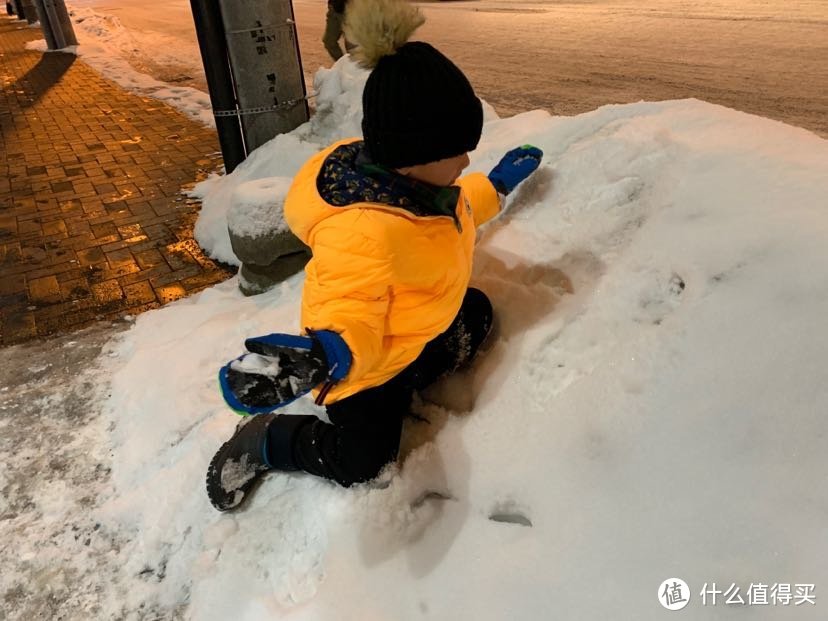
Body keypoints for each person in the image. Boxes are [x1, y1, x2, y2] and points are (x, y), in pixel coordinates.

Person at [206, 0, 543, 511]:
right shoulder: (366, 234)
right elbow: (349, 307)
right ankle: (268, 441)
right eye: (456, 152)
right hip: (363, 364)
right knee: (364, 461)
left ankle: (410, 375)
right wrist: (326, 355)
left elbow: (457, 213)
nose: (466, 159)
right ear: (414, 155)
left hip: (409, 333)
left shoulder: (419, 191)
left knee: (476, 314)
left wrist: (493, 186)